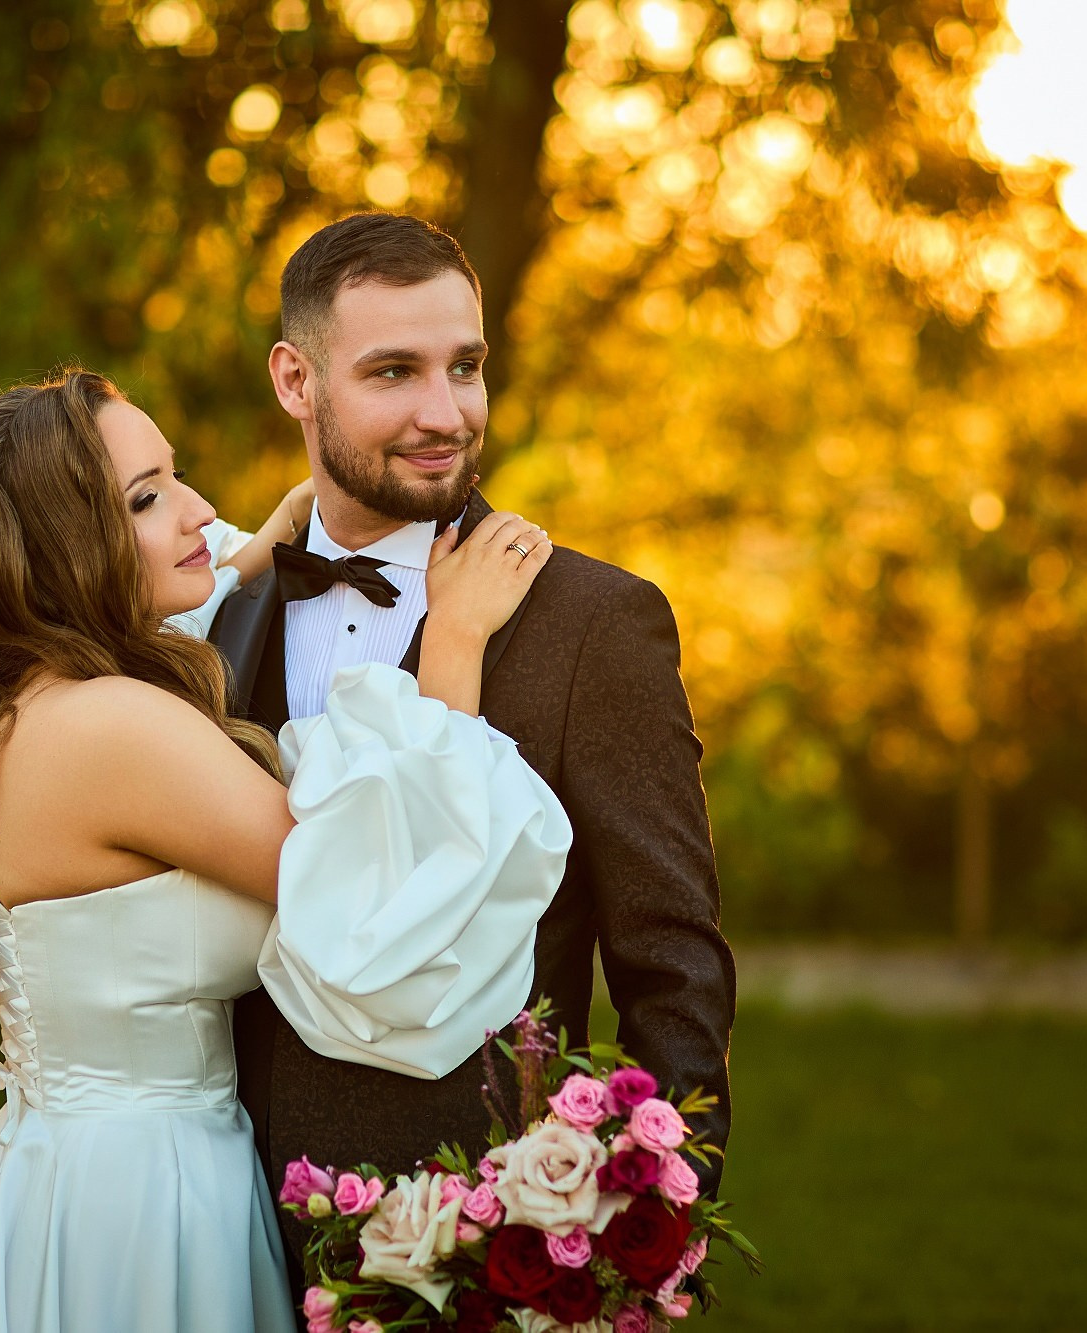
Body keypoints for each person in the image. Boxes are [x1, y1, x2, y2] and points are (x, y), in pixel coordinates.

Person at [0, 369, 572, 1333]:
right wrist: (452, 643)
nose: (199, 512)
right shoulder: (111, 729)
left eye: (175, 477)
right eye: (148, 497)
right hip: (141, 1202)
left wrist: (251, 564)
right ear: (61, 547)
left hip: (71, 1176)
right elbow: (377, 889)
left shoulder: (31, 706)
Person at [206, 213, 739, 1282]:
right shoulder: (219, 610)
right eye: (393, 371)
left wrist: (632, 1224)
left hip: (477, 1243)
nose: (442, 413)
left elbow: (670, 956)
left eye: (465, 366)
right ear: (293, 380)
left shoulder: (594, 623)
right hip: (217, 1219)